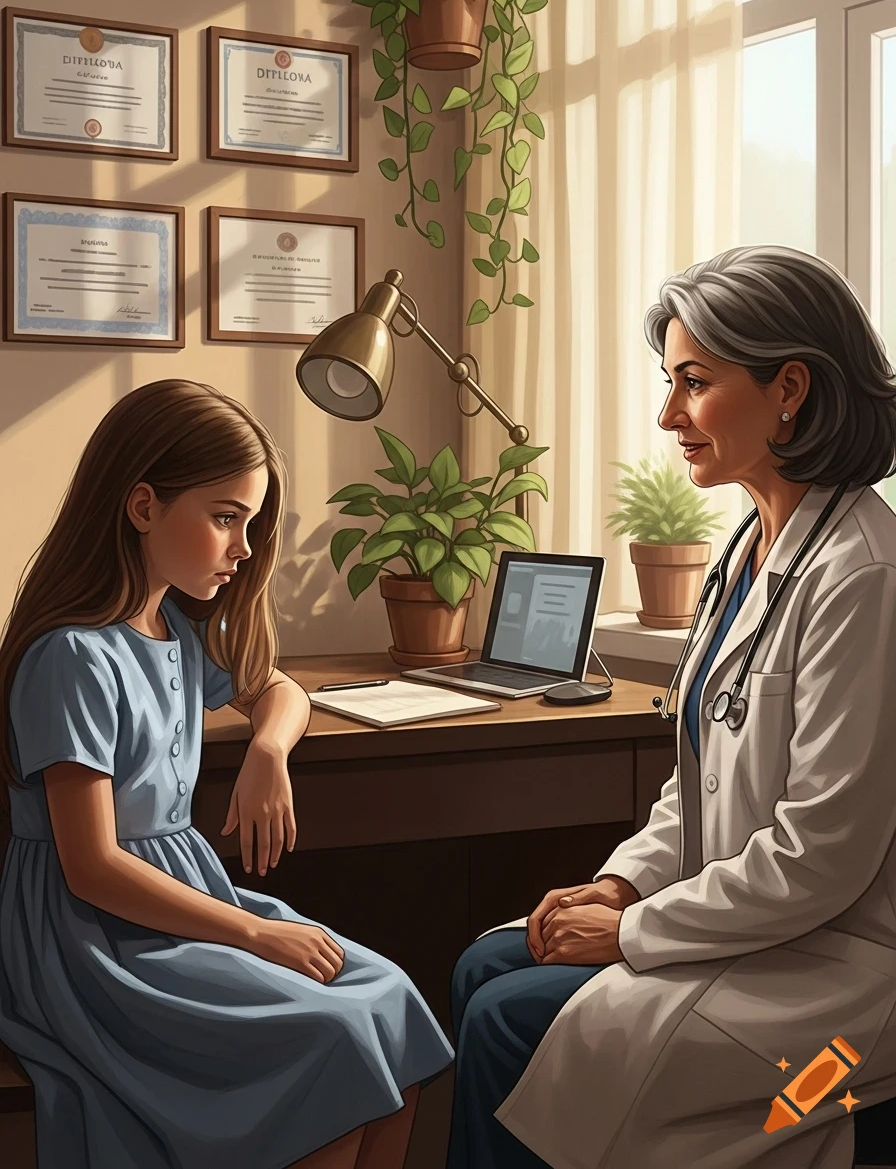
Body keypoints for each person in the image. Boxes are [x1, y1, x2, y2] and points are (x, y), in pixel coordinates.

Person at [447, 245, 896, 1169]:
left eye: (693, 383)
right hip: (749, 924)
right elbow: (699, 784)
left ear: (791, 389)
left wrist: (630, 929)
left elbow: (822, 856)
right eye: (669, 382)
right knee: (484, 962)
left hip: (839, 977)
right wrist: (621, 882)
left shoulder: (867, 575)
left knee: (505, 1019)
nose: (668, 416)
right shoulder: (748, 551)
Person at [0, 379, 453, 1169]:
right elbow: (92, 866)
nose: (244, 549)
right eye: (225, 518)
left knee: (390, 1000)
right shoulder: (72, 657)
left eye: (249, 523)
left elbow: (279, 690)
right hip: (98, 939)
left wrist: (268, 751)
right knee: (335, 1040)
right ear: (142, 507)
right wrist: (254, 931)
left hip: (183, 902)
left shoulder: (171, 627)